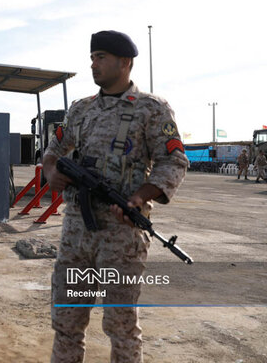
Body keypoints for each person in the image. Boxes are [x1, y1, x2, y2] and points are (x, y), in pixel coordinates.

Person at [42, 30, 189, 363]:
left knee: (121, 326)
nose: (94, 64)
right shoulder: (80, 109)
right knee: (66, 323)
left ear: (125, 63)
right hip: (76, 231)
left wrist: (140, 197)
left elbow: (174, 161)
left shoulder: (151, 109)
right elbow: (53, 149)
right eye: (92, 57)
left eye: (101, 57)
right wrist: (51, 172)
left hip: (121, 235)